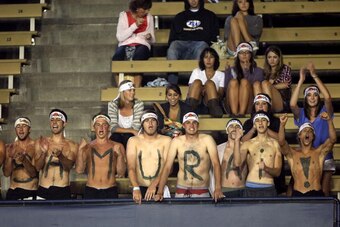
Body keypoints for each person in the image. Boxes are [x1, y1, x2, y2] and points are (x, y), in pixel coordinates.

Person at [154, 112, 224, 201]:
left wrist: (217, 189)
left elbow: (216, 164)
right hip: (182, 189)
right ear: (183, 125)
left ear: (198, 125)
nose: (191, 125)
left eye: (194, 122)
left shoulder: (207, 140)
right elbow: (167, 167)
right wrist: (160, 192)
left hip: (201, 189)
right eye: (188, 123)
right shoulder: (177, 141)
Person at [290, 62, 335, 196]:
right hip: (304, 158)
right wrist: (300, 81)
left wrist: (314, 76)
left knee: (324, 191)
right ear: (305, 98)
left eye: (315, 95)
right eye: (309, 95)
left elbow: (327, 97)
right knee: (292, 189)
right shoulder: (302, 113)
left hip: (324, 155)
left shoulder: (325, 111)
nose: (312, 98)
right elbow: (292, 104)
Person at [278, 113, 336, 197]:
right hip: (298, 194)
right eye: (304, 131)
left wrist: (329, 121)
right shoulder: (293, 154)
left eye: (310, 131)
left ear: (313, 136)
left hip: (316, 194)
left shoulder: (319, 153)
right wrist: (282, 125)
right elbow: (281, 143)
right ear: (300, 136)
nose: (307, 133)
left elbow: (333, 139)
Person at [241, 93, 286, 195]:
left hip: (273, 175)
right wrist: (254, 126)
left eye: (263, 104)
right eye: (257, 104)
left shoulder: (276, 122)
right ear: (254, 107)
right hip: (253, 177)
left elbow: (281, 141)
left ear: (269, 106)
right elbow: (242, 142)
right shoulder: (249, 123)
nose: (260, 106)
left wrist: (263, 125)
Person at [167, 0, 219, 84]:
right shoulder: (179, 17)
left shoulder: (210, 16)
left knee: (203, 46)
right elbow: (172, 39)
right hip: (182, 46)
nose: (193, 0)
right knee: (173, 46)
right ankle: (172, 86)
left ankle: (197, 84)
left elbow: (214, 38)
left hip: (200, 45)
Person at [76, 114, 126, 199]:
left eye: (104, 125)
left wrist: (120, 156)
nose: (101, 128)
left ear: (109, 127)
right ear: (93, 128)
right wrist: (80, 151)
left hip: (110, 190)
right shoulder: (87, 147)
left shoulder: (118, 146)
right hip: (91, 190)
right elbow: (79, 170)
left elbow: (121, 173)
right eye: (98, 125)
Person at [127, 111, 172, 204]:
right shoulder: (133, 141)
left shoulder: (166, 140)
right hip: (140, 187)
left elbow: (169, 168)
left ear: (157, 123)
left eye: (153, 120)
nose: (150, 123)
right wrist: (135, 187)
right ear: (142, 124)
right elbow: (131, 167)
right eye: (147, 120)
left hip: (160, 187)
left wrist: (154, 184)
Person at [234, 111, 282, 197]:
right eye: (257, 120)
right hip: (251, 186)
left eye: (263, 120)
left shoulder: (275, 144)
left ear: (268, 123)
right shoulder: (248, 143)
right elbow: (237, 164)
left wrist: (266, 168)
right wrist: (237, 140)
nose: (260, 123)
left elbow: (277, 172)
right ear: (254, 125)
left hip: (268, 187)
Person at [34, 109, 78, 200]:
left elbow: (69, 166)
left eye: (58, 120)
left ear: (64, 123)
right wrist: (43, 153)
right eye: (52, 120)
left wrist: (60, 155)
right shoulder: (41, 142)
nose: (54, 122)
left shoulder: (72, 145)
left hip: (62, 190)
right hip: (43, 189)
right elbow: (37, 168)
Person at [112, 0, 155, 87]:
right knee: (116, 59)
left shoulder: (149, 17)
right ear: (138, 9)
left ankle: (136, 88)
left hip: (142, 44)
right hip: (125, 44)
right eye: (144, 10)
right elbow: (120, 37)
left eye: (147, 10)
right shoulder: (124, 16)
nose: (146, 12)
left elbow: (153, 40)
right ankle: (120, 89)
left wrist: (149, 38)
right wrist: (134, 25)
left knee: (138, 59)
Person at [224, 42, 264, 116]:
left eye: (247, 52)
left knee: (244, 81)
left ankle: (241, 114)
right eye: (241, 53)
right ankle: (234, 114)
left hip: (249, 104)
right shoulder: (231, 69)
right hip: (232, 104)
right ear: (237, 55)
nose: (244, 55)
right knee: (233, 82)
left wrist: (247, 71)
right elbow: (226, 89)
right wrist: (227, 72)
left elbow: (255, 88)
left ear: (251, 54)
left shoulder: (258, 71)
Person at [3, 117, 38, 200]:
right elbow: (6, 174)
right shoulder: (10, 147)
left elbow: (34, 173)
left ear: (29, 129)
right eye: (18, 126)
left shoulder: (36, 147)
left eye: (24, 126)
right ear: (15, 129)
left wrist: (24, 160)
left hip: (30, 190)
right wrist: (10, 158)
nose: (21, 129)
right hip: (13, 190)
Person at [186, 47, 224, 117]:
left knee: (210, 83)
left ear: (215, 59)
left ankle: (215, 112)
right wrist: (202, 89)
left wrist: (208, 90)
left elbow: (221, 95)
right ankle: (189, 112)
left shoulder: (221, 75)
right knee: (197, 82)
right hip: (196, 103)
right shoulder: (196, 71)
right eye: (206, 57)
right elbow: (190, 92)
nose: (208, 60)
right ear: (202, 59)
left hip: (212, 103)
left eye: (211, 57)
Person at [253, 46, 292, 113]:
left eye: (275, 57)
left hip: (281, 101)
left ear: (279, 58)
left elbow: (286, 84)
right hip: (265, 98)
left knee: (265, 83)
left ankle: (268, 112)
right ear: (267, 59)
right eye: (269, 57)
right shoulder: (264, 71)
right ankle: (259, 111)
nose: (272, 60)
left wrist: (269, 86)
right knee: (256, 84)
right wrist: (267, 87)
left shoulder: (284, 68)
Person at [108, 80, 144, 149]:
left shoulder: (139, 104)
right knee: (115, 137)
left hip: (132, 137)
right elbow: (113, 128)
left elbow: (136, 128)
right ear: (123, 92)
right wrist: (131, 130)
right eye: (129, 90)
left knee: (128, 137)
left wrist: (132, 131)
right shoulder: (112, 105)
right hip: (117, 136)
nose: (133, 93)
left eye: (133, 90)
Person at [217, 119, 247, 197]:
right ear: (227, 130)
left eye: (237, 126)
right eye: (231, 126)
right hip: (224, 189)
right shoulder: (219, 149)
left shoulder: (246, 147)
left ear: (242, 131)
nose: (234, 128)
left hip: (242, 189)